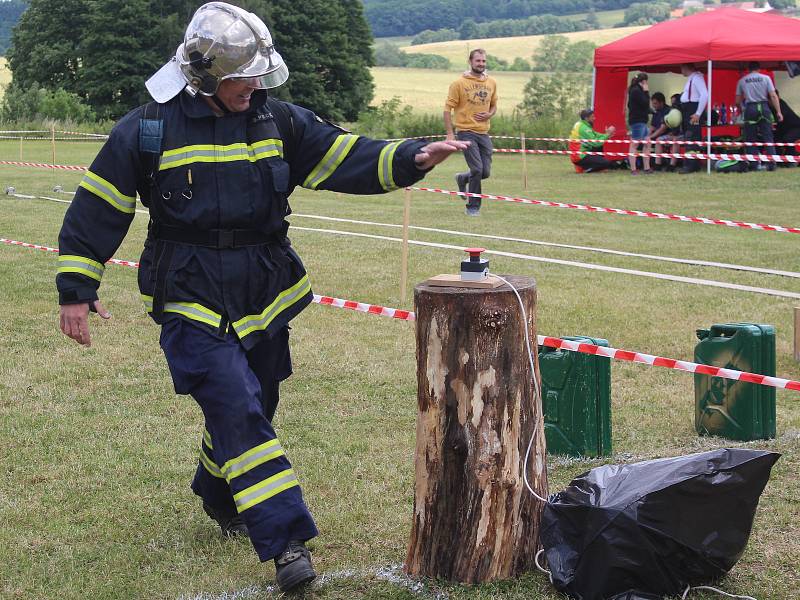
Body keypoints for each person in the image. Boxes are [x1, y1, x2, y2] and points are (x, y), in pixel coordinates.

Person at [55, 2, 467, 593]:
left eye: (257, 73)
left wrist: (410, 157)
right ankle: (285, 541)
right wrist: (76, 288)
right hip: (190, 292)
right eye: (239, 76)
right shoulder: (145, 130)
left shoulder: (280, 122)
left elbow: (341, 155)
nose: (252, 85)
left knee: (257, 399)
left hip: (266, 287)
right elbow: (99, 207)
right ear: (203, 75)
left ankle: (216, 489)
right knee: (235, 403)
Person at [444, 48, 498, 216]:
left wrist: (490, 114)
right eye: (478, 61)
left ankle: (462, 178)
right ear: (470, 61)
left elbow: (494, 105)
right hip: (466, 132)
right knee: (477, 169)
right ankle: (473, 207)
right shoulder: (459, 83)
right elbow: (447, 109)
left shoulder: (491, 83)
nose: (481, 64)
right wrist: (450, 134)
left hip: (483, 133)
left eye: (483, 61)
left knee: (485, 172)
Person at [735, 62, 783, 171]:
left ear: (748, 69)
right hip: (764, 107)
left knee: (750, 138)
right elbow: (773, 95)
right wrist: (778, 112)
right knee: (768, 136)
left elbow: (737, 101)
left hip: (750, 108)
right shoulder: (766, 78)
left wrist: (741, 109)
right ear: (759, 69)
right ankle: (772, 164)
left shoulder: (742, 81)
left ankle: (753, 164)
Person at [678, 63, 709, 174]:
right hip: (689, 110)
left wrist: (698, 113)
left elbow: (705, 95)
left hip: (693, 110)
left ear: (687, 67)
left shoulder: (697, 78)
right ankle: (692, 164)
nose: (681, 69)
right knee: (689, 136)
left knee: (692, 137)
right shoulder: (693, 78)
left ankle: (691, 165)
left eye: (682, 67)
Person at [569, 108, 617, 173]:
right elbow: (596, 143)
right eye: (592, 117)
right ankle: (584, 169)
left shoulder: (581, 124)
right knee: (606, 163)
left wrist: (606, 135)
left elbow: (596, 134)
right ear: (586, 118)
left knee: (600, 148)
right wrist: (607, 135)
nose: (594, 118)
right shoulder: (584, 128)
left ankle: (596, 166)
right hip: (580, 157)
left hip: (580, 154)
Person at [627, 72, 652, 174]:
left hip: (642, 121)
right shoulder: (637, 91)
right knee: (634, 144)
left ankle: (647, 167)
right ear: (644, 81)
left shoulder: (635, 90)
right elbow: (645, 103)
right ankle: (633, 169)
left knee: (647, 143)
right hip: (638, 121)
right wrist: (646, 91)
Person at [774, 89, 800, 164]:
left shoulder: (781, 105)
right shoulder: (772, 106)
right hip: (785, 129)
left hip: (796, 128)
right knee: (775, 138)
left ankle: (793, 160)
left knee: (788, 139)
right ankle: (779, 160)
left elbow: (780, 119)